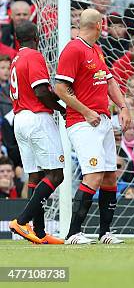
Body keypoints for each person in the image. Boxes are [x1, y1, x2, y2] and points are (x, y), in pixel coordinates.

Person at [55, 8, 131, 245]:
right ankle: (73, 233)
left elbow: (108, 79)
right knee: (94, 174)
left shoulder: (95, 49)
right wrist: (85, 111)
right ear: (100, 24)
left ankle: (105, 233)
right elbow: (59, 88)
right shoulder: (73, 49)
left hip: (103, 121)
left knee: (109, 176)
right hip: (83, 122)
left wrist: (123, 106)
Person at [7, 22, 66, 244]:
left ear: (17, 39)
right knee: (56, 174)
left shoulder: (15, 59)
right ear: (36, 37)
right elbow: (41, 91)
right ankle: (22, 221)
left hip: (20, 119)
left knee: (35, 175)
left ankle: (39, 233)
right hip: (37, 117)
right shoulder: (34, 56)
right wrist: (62, 108)